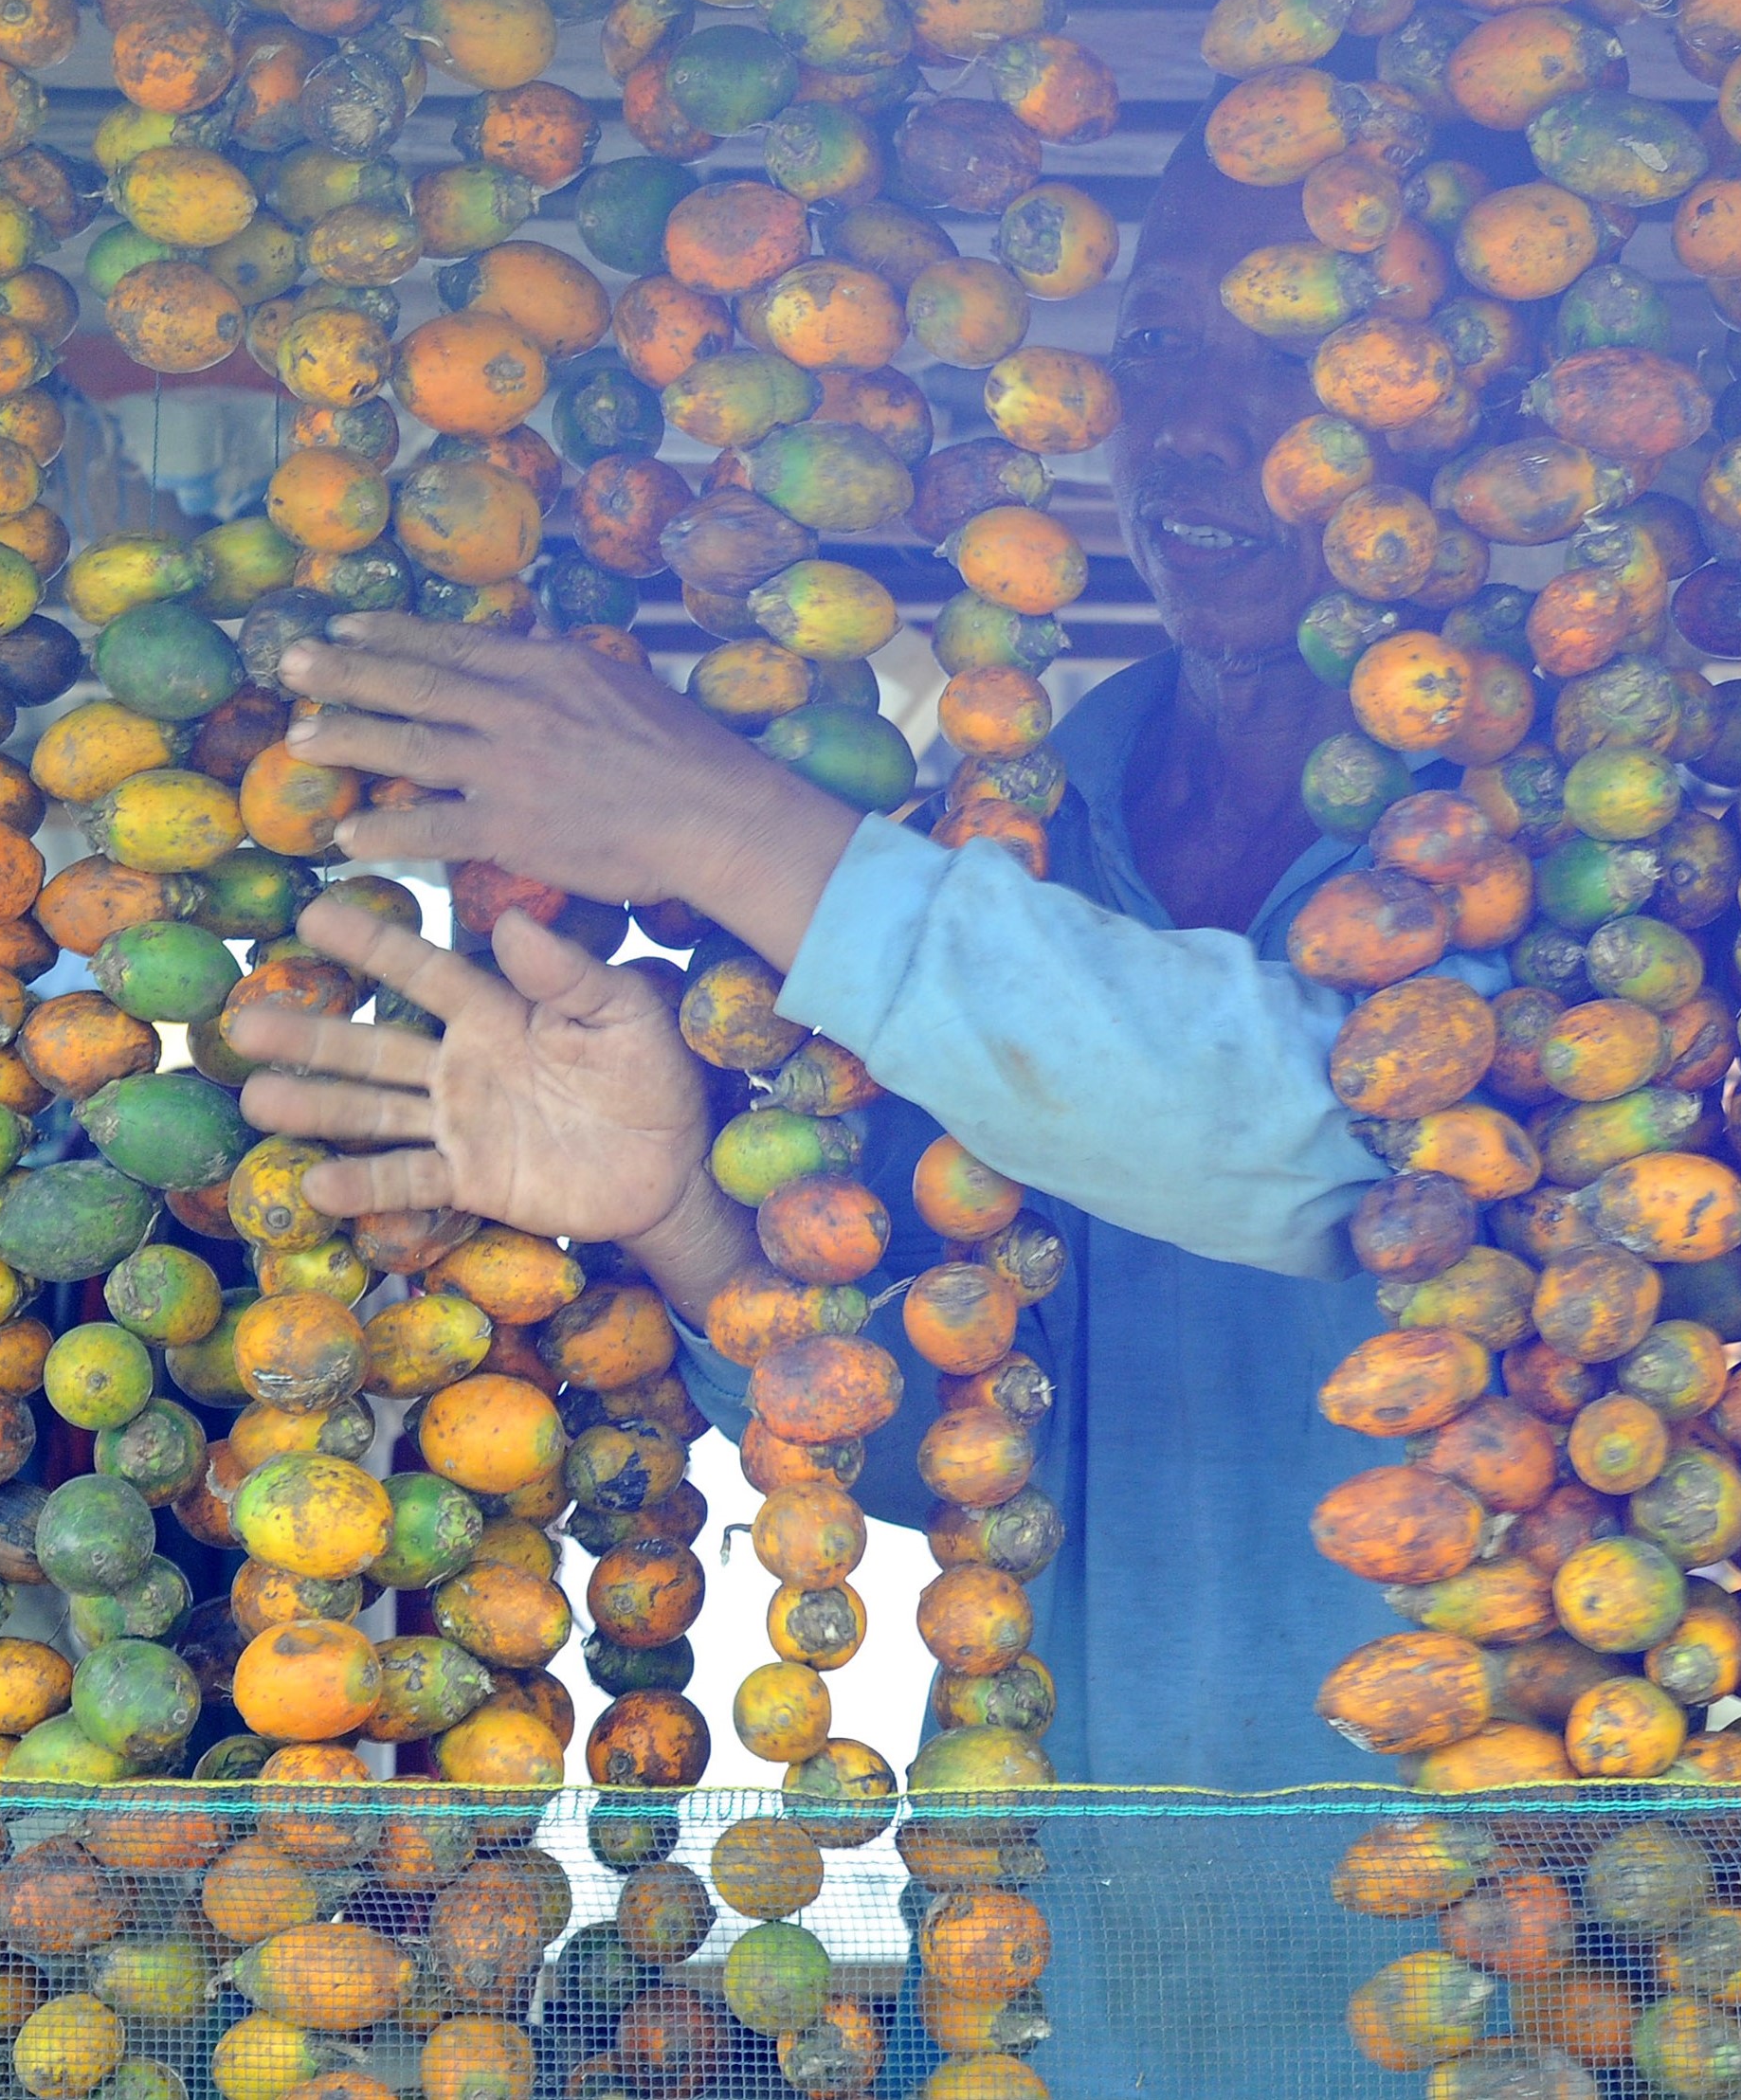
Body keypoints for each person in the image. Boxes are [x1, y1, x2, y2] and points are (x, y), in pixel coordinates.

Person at [224, 141, 1458, 2090]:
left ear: (1444, 396)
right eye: (1157, 347)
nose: (1208, 433)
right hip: (1119, 2026)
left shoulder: (1571, 859)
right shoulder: (1019, 843)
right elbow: (958, 1453)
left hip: (1525, 1992)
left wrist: (723, 820)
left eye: (1294, 348)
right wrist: (683, 1219)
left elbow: (1326, 1149)